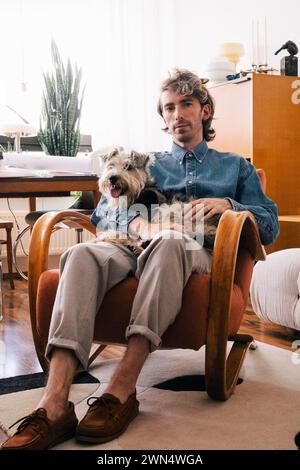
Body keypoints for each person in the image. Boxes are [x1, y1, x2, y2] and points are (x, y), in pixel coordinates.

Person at [1, 69, 279, 450]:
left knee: (168, 244)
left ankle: (121, 389)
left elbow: (269, 225)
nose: (178, 113)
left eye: (186, 104)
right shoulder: (145, 163)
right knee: (81, 253)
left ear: (205, 110)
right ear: (163, 119)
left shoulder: (235, 167)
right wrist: (138, 223)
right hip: (131, 245)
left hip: (194, 250)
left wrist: (227, 204)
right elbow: (102, 215)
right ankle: (55, 403)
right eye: (169, 108)